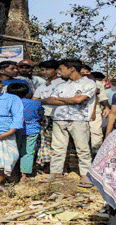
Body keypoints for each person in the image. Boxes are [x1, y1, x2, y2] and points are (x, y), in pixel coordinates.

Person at [41, 59, 97, 187]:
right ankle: (56, 172)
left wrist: (61, 99)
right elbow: (50, 100)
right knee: (57, 147)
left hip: (79, 119)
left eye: (61, 69)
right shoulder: (61, 85)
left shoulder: (88, 83)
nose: (58, 72)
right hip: (59, 118)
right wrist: (70, 100)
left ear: (72, 69)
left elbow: (80, 100)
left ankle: (85, 175)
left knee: (82, 148)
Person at [7, 82, 43, 182]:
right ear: (27, 92)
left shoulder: (8, 103)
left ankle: (11, 174)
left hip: (13, 131)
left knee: (13, 152)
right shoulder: (36, 103)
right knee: (28, 152)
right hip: (32, 130)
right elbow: (40, 115)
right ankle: (24, 175)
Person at [31, 60, 62, 172]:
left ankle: (59, 167)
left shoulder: (61, 83)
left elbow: (55, 101)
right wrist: (47, 101)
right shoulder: (42, 86)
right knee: (45, 142)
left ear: (56, 70)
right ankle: (47, 165)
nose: (44, 72)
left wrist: (45, 100)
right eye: (42, 70)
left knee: (58, 143)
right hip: (45, 117)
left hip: (58, 117)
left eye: (47, 69)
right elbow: (34, 101)